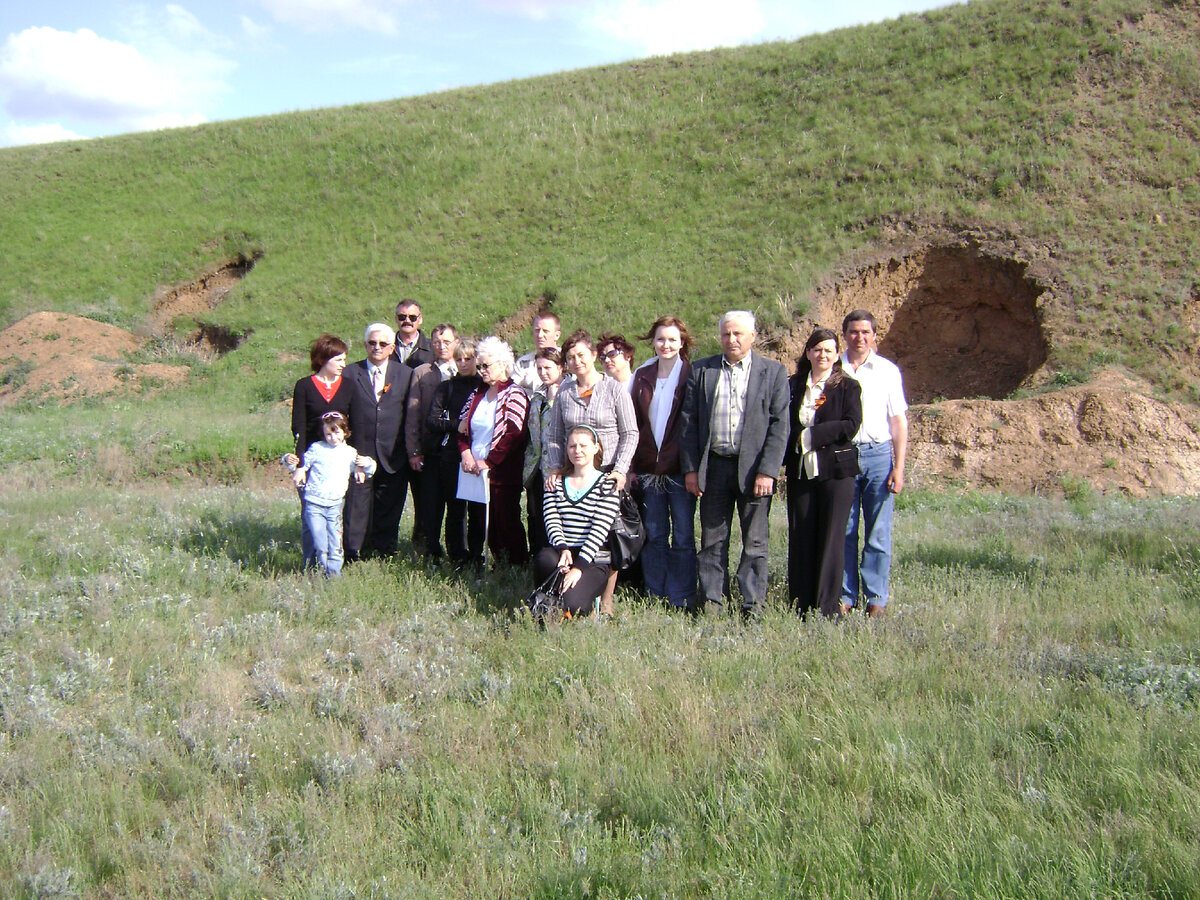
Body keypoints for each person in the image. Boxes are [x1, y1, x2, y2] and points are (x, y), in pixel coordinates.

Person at [680, 310, 789, 618]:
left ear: (753, 336)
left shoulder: (773, 373)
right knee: (713, 539)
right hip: (714, 468)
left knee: (755, 542)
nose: (732, 339)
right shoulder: (702, 371)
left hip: (754, 471)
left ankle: (752, 605)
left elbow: (780, 426)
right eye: (727, 334)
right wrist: (691, 470)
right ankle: (713, 602)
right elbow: (689, 424)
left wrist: (768, 470)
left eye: (738, 333)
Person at [542, 330, 638, 617]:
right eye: (570, 358)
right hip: (574, 472)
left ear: (594, 356)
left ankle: (605, 600)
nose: (576, 361)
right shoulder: (565, 393)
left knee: (607, 537)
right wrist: (557, 467)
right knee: (578, 529)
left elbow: (630, 432)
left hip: (608, 473)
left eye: (581, 355)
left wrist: (620, 470)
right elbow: (556, 433)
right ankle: (570, 586)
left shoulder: (614, 390)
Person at [785, 328, 862, 618]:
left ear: (836, 354)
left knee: (831, 538)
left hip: (836, 473)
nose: (823, 354)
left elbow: (850, 424)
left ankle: (828, 607)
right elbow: (781, 421)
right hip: (800, 471)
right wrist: (796, 440)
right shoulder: (793, 385)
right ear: (808, 353)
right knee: (801, 534)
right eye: (817, 349)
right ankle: (800, 604)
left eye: (829, 350)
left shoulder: (847, 387)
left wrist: (811, 436)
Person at [839, 309, 909, 619]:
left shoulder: (887, 371)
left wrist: (899, 466)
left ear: (874, 336)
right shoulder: (834, 367)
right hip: (843, 456)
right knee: (844, 529)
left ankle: (876, 598)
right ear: (845, 335)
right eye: (854, 331)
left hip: (879, 455)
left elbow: (898, 421)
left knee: (878, 533)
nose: (860, 337)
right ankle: (845, 595)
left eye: (865, 332)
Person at [630, 316, 696, 609]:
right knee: (654, 534)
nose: (665, 345)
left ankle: (681, 596)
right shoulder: (643, 374)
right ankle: (655, 593)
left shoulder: (693, 374)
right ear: (652, 341)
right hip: (648, 469)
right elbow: (633, 423)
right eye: (660, 339)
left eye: (672, 339)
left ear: (682, 343)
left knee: (683, 535)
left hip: (680, 471)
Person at [534, 425, 622, 618]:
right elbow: (552, 518)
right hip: (563, 552)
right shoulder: (555, 482)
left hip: (592, 558)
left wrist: (578, 568)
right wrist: (563, 548)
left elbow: (599, 530)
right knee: (543, 559)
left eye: (583, 445)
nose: (578, 451)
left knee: (572, 606)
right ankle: (549, 598)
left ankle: (568, 599)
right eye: (572, 446)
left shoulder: (607, 485)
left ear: (596, 448)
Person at [457, 336, 530, 566]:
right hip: (475, 473)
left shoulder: (515, 393)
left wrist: (490, 462)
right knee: (483, 523)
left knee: (506, 522)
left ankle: (517, 567)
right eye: (479, 366)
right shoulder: (477, 394)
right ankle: (498, 566)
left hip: (503, 474)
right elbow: (461, 429)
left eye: (485, 366)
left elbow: (514, 434)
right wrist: (466, 453)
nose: (481, 371)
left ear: (502, 364)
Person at [344, 323, 414, 560]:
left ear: (392, 347)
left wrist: (410, 450)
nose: (377, 347)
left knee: (390, 506)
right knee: (356, 505)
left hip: (392, 453)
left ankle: (384, 552)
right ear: (365, 345)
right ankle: (354, 552)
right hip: (359, 454)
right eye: (372, 343)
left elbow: (409, 414)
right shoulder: (350, 373)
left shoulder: (404, 374)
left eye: (383, 344)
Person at [284, 334, 354, 563]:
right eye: (339, 359)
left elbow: (355, 424)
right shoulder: (304, 385)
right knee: (309, 516)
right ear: (323, 359)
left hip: (337, 461)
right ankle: (311, 564)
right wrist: (301, 466)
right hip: (313, 461)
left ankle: (333, 563)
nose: (344, 364)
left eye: (345, 359)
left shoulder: (348, 386)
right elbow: (299, 427)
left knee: (334, 517)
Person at [289, 412, 376, 577]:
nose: (332, 437)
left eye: (336, 432)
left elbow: (369, 469)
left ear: (345, 432)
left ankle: (334, 576)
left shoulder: (350, 453)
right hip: (314, 504)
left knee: (335, 544)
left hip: (335, 506)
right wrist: (289, 460)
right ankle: (321, 574)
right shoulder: (317, 449)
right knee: (321, 544)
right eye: (328, 433)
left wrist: (368, 463)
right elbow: (301, 464)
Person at [425, 339, 483, 567]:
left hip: (478, 453)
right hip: (451, 455)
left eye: (468, 358)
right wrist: (455, 424)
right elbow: (432, 420)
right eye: (458, 359)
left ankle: (477, 554)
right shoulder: (446, 387)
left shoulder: (484, 386)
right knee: (455, 508)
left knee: (477, 509)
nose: (463, 363)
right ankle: (457, 555)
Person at [405, 324, 459, 558]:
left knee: (457, 508)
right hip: (430, 451)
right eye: (437, 342)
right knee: (431, 505)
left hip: (458, 452)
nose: (441, 346)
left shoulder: (465, 370)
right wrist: (414, 450)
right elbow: (412, 415)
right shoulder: (422, 372)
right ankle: (431, 552)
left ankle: (459, 552)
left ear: (456, 342)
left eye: (446, 341)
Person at [523, 347, 564, 557]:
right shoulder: (537, 395)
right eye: (539, 368)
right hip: (537, 468)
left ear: (560, 367)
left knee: (557, 519)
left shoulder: (569, 392)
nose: (543, 372)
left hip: (560, 470)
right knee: (536, 514)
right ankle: (537, 558)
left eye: (548, 367)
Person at [512, 309, 562, 393]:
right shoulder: (523, 363)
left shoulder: (567, 360)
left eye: (545, 331)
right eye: (537, 330)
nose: (540, 335)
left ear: (557, 335)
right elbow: (512, 391)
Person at [392, 298, 434, 368]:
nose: (407, 321)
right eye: (402, 317)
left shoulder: (433, 349)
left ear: (420, 320)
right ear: (396, 319)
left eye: (412, 317)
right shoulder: (385, 346)